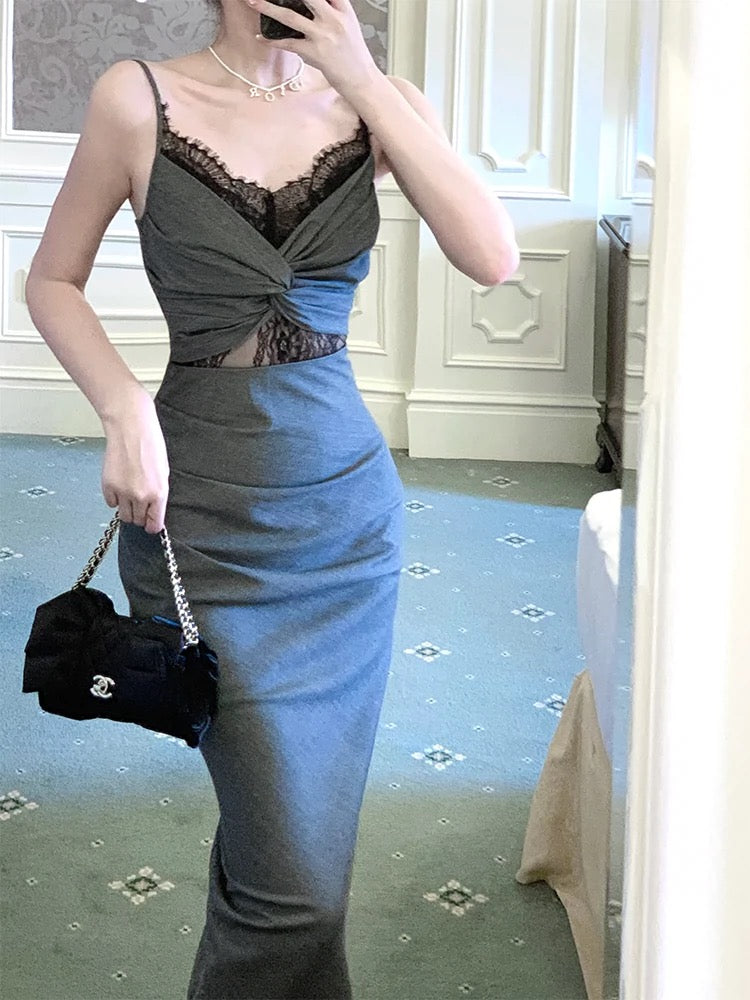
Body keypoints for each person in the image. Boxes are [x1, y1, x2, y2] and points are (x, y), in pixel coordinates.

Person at [24, 1, 519, 996]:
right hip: (202, 525)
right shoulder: (139, 99)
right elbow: (52, 280)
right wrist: (124, 406)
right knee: (294, 886)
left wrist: (364, 77)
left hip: (343, 531)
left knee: (291, 859)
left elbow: (493, 255)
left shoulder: (377, 103)